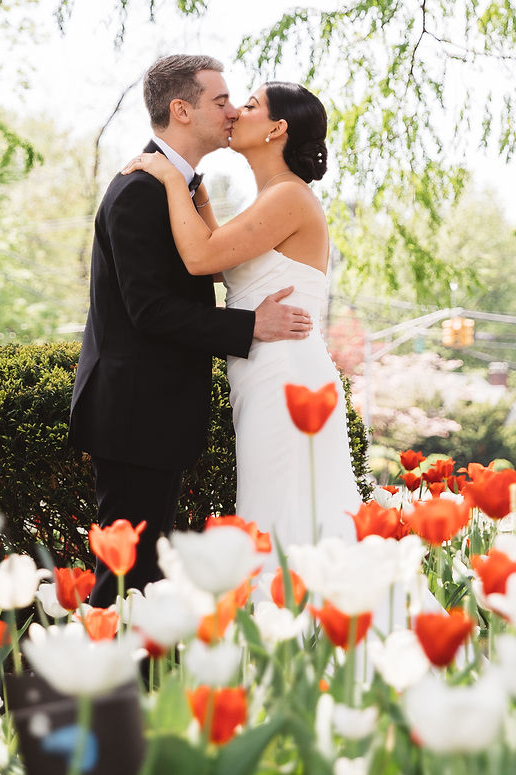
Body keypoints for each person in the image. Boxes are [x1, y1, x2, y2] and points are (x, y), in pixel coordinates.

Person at [69, 55, 313, 604]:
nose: (231, 111)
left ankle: (139, 683)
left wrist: (195, 195)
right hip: (134, 414)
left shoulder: (175, 187)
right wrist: (251, 326)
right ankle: (100, 685)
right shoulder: (139, 191)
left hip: (155, 415)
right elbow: (149, 311)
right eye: (221, 101)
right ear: (181, 110)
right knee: (126, 577)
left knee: (147, 575)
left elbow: (207, 257)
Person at [123, 80, 361, 552]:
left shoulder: (288, 197)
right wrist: (195, 187)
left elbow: (201, 258)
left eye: (249, 105)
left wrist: (171, 178)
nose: (233, 112)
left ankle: (299, 614)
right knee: (272, 508)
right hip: (263, 371)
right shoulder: (271, 196)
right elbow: (223, 256)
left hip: (287, 375)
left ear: (277, 129)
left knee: (282, 514)